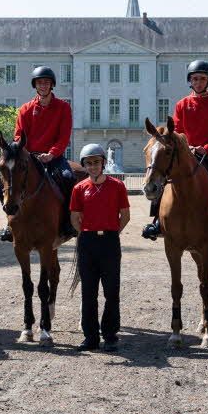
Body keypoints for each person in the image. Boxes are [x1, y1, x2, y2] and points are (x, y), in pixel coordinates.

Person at [142, 59, 208, 240]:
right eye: (195, 79)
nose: (198, 82)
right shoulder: (182, 104)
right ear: (190, 81)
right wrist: (187, 146)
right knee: (164, 177)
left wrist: (206, 148)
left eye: (202, 79)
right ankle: (157, 221)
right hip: (186, 153)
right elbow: (177, 131)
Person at [2, 66, 77, 243]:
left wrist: (51, 155)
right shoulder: (25, 109)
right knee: (2, 184)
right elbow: (19, 136)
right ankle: (10, 223)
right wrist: (28, 155)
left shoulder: (63, 108)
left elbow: (64, 137)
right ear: (35, 86)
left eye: (46, 82)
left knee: (69, 178)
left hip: (54, 157)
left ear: (52, 85)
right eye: (39, 83)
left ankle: (67, 223)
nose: (43, 86)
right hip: (29, 157)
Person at [70, 143, 131, 352]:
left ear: (103, 163)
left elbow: (125, 215)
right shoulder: (79, 188)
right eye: (89, 163)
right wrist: (87, 233)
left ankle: (111, 334)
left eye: (96, 162)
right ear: (85, 166)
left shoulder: (117, 186)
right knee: (89, 292)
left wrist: (112, 231)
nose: (93, 166)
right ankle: (90, 336)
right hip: (87, 242)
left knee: (111, 291)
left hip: (110, 242)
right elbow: (74, 218)